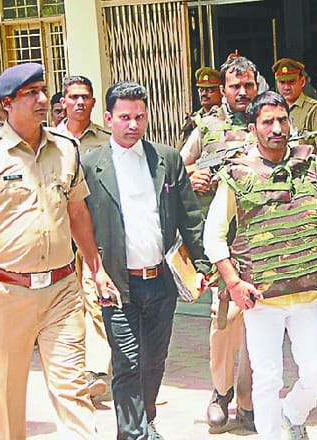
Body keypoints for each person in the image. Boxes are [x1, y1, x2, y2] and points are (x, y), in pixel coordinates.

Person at [0, 62, 113, 439]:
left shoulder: (65, 148)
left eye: (43, 90)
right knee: (7, 397)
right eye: (31, 93)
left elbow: (77, 212)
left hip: (62, 289)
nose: (43, 99)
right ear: (6, 103)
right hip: (8, 292)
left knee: (73, 389)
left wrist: (96, 268)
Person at [204, 91, 317, 440]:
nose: (277, 128)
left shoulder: (313, 166)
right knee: (266, 379)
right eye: (267, 122)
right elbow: (213, 236)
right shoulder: (237, 174)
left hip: (309, 293)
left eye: (282, 120)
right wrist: (234, 283)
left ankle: (293, 414)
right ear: (253, 129)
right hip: (261, 299)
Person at [81, 80, 210, 440]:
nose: (133, 124)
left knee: (153, 361)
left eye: (139, 116)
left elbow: (190, 217)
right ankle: (133, 434)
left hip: (160, 282)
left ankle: (146, 421)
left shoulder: (166, 160)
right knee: (127, 363)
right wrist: (94, 270)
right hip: (117, 283)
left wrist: (201, 266)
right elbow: (79, 223)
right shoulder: (91, 166)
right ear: (108, 118)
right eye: (124, 117)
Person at [180, 55, 258, 432]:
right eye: (234, 86)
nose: (242, 92)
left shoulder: (270, 121)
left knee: (260, 321)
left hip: (264, 238)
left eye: (248, 85)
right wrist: (193, 176)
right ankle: (221, 392)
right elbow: (175, 170)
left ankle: (249, 399)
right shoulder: (206, 127)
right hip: (223, 241)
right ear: (223, 90)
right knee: (224, 320)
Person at [54, 74, 112, 400]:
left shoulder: (105, 141)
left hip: (94, 232)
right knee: (68, 304)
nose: (79, 102)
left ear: (93, 102)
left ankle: (96, 370)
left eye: (85, 97)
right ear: (63, 102)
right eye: (73, 97)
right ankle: (74, 369)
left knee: (96, 298)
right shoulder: (48, 141)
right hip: (59, 236)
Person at [272, 58, 317, 162]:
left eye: (291, 82)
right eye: (282, 82)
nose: (286, 87)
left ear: (302, 81)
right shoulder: (273, 109)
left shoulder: (315, 109)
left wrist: (312, 170)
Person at [180, 67, 223, 145]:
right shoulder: (193, 120)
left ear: (221, 92)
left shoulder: (226, 117)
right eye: (201, 89)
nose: (204, 94)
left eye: (209, 90)